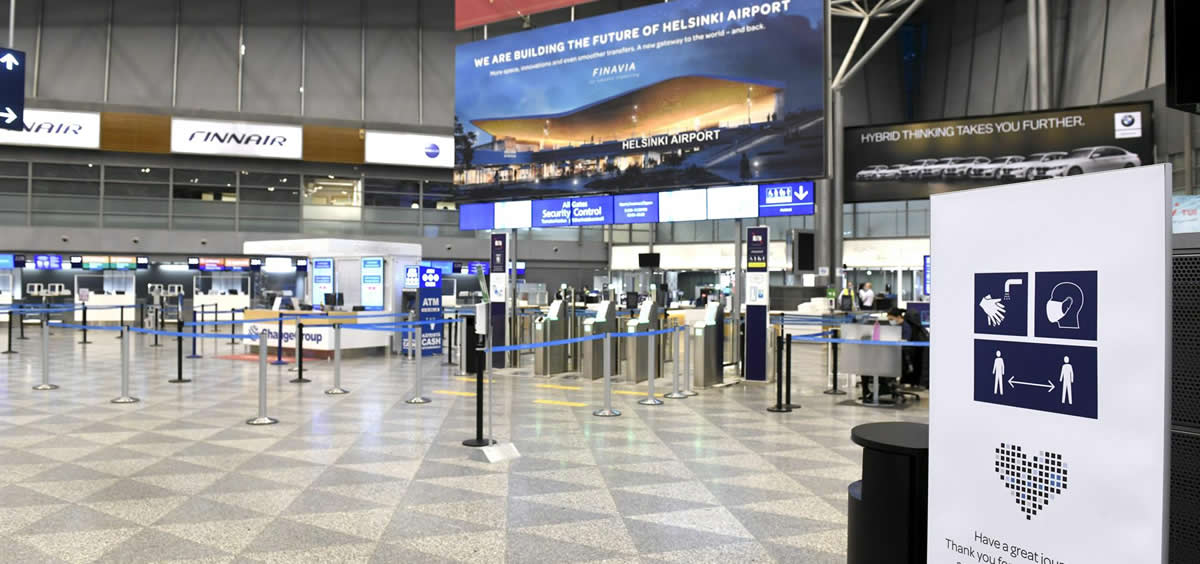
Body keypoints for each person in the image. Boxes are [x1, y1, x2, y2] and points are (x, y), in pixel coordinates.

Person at [888, 307, 930, 389]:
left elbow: (906, 343)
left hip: (906, 355)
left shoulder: (906, 327)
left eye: (891, 319)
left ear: (898, 317)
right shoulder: (918, 330)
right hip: (907, 354)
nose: (890, 321)